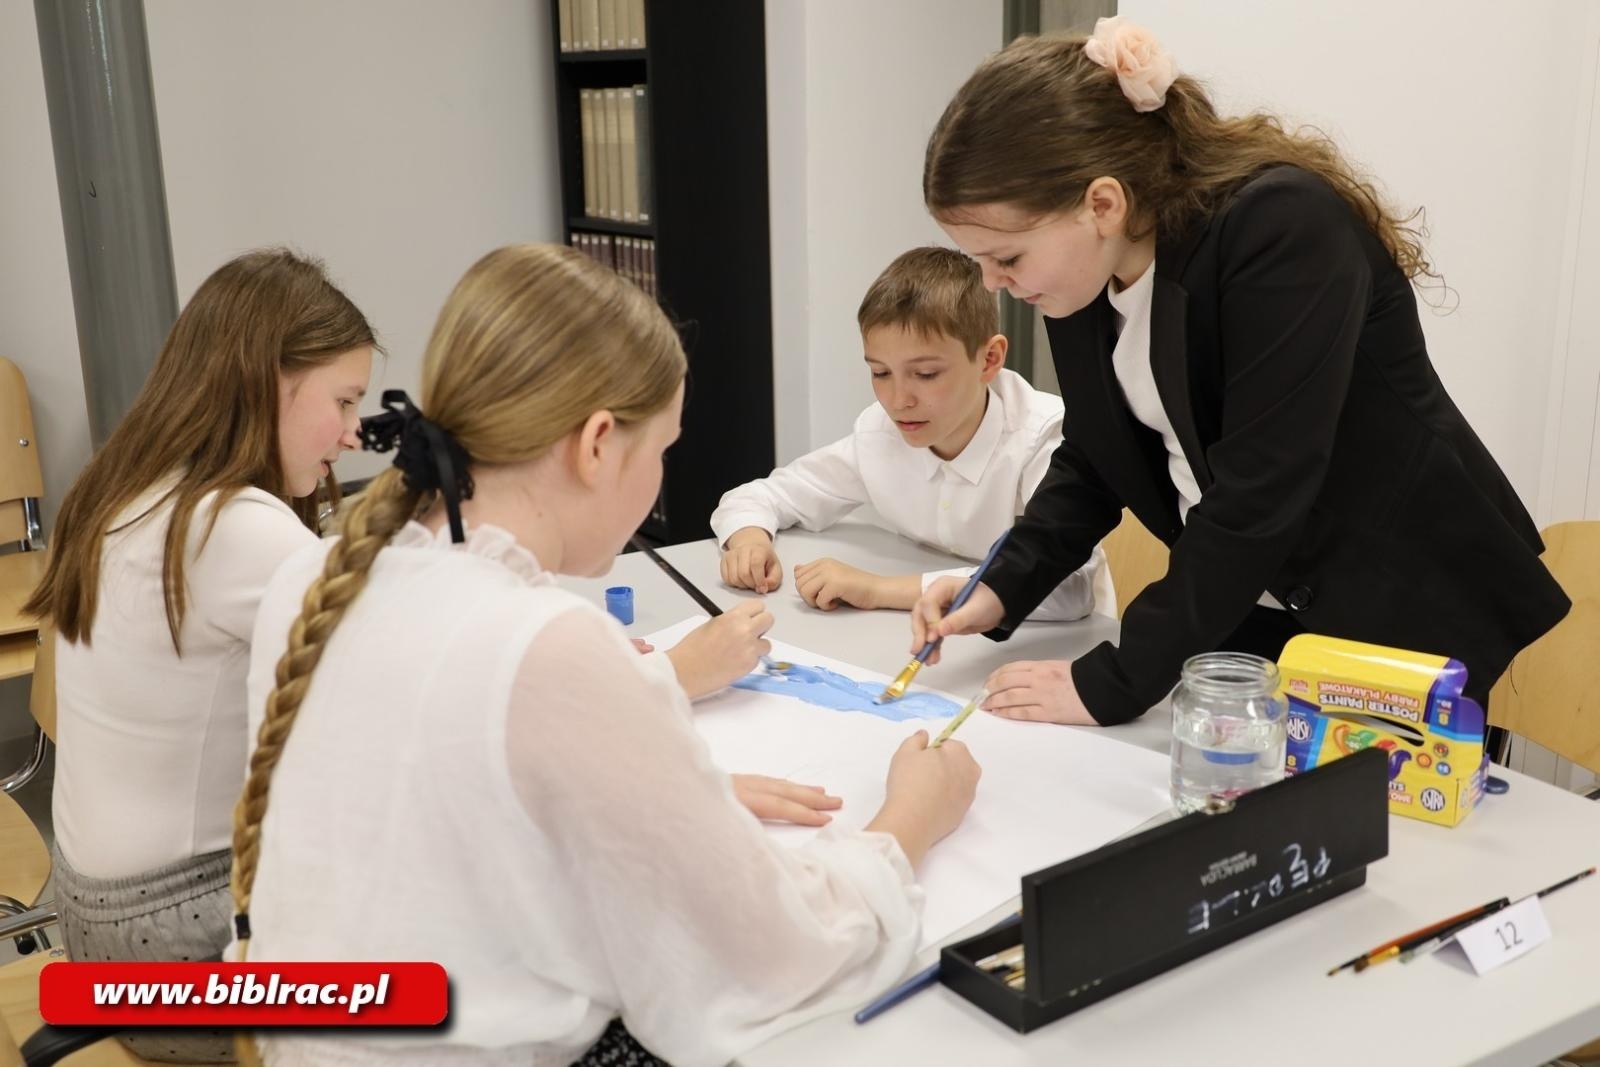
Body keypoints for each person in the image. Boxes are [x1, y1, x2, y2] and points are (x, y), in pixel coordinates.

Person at [229, 244, 981, 1066]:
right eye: (660, 452)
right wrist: (910, 818)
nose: (658, 483)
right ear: (595, 445)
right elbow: (774, 952)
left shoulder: (313, 571)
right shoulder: (544, 642)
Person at [911, 19, 1568, 727]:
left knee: (1366, 832)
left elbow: (1261, 488)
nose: (993, 285)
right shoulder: (1080, 277)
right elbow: (1098, 457)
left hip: (1397, 605)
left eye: (1005, 258)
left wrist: (1116, 679)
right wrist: (1002, 583)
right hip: (1244, 610)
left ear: (1103, 203)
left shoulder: (1281, 229)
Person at [25, 248, 376, 1062]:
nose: (357, 432)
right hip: (177, 944)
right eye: (344, 400)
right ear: (267, 381)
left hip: (96, 920)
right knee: (473, 970)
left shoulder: (129, 486)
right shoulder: (235, 525)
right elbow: (411, 676)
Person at [714, 245, 1109, 618]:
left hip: (1056, 653)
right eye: (880, 373)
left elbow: (1066, 592)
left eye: (925, 374)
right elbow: (761, 496)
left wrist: (879, 590)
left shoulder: (1046, 437)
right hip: (929, 638)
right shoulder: (881, 433)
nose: (898, 399)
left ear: (989, 359)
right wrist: (750, 540)